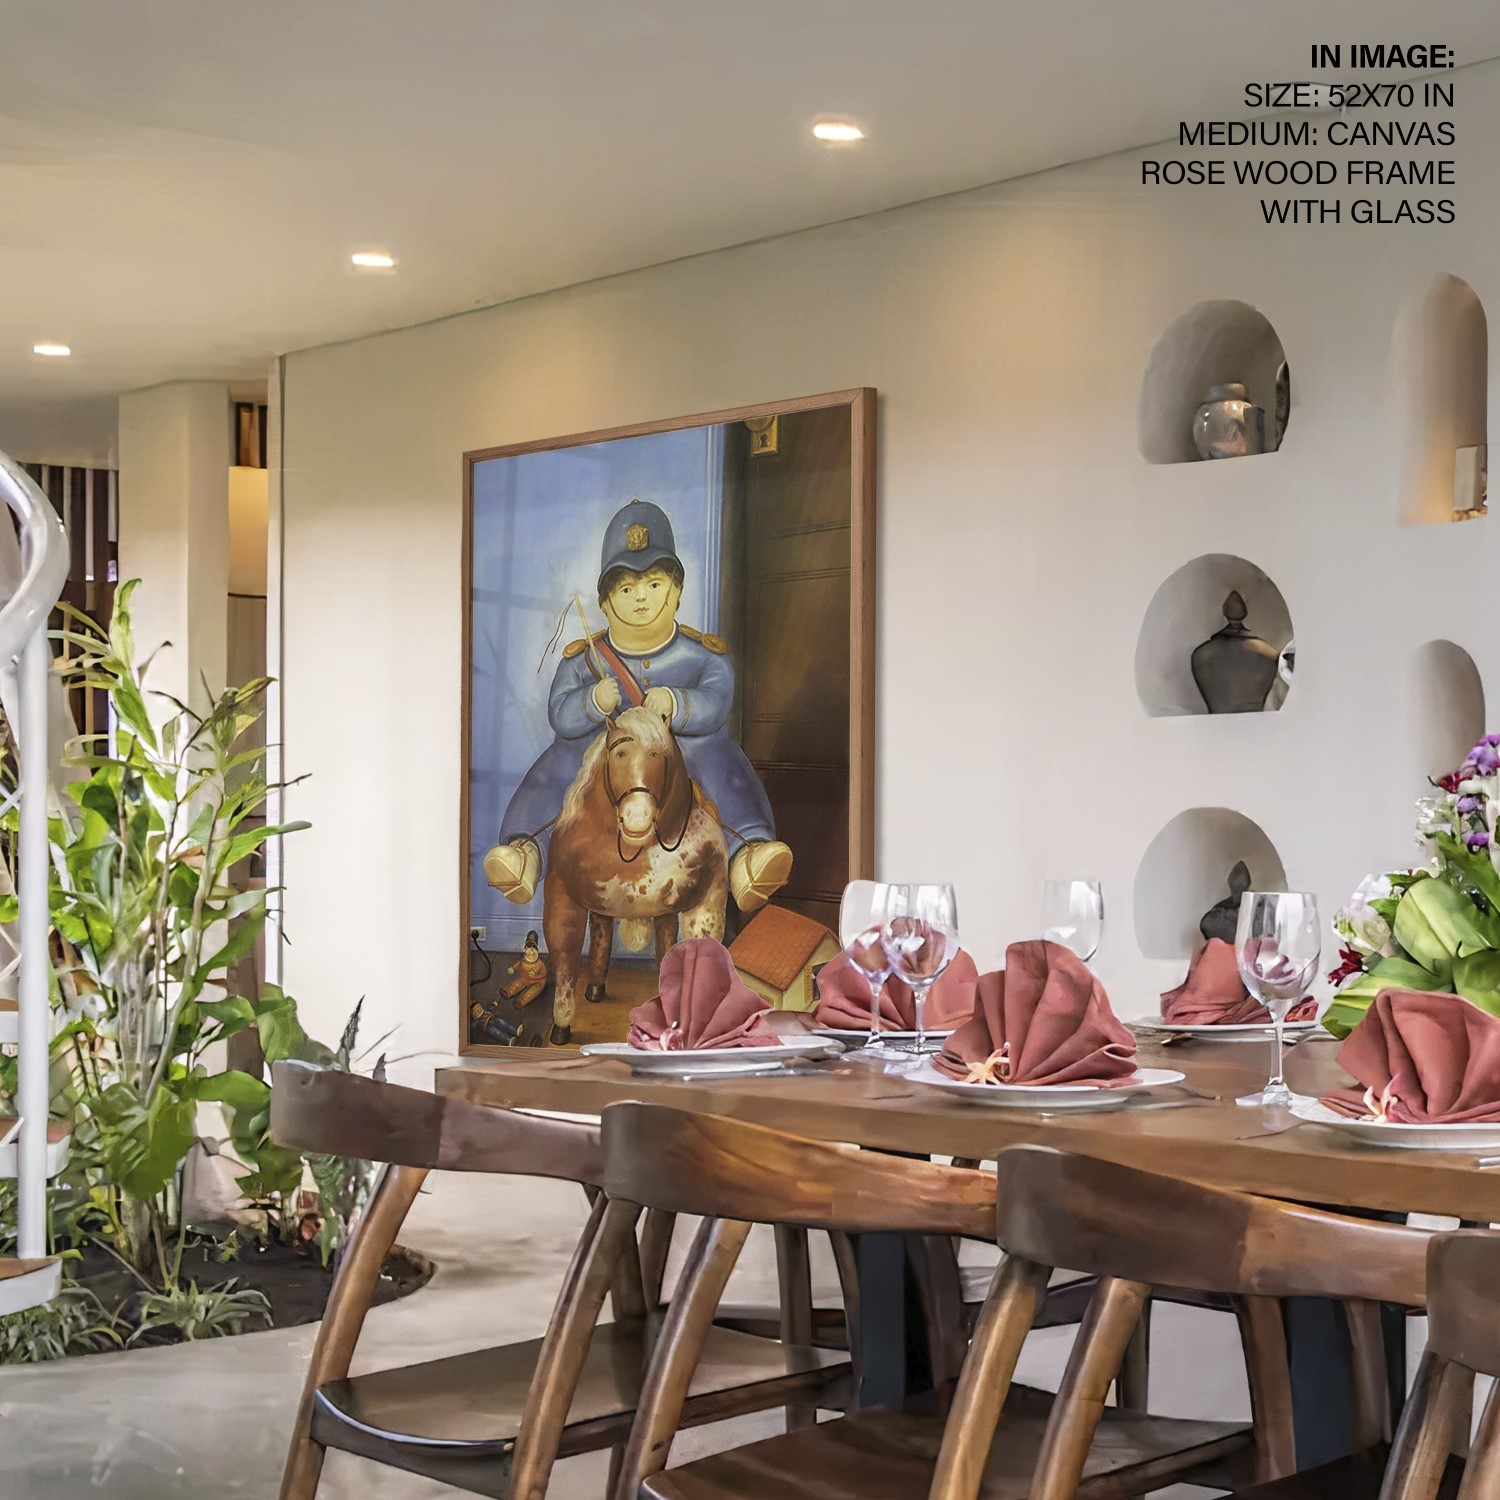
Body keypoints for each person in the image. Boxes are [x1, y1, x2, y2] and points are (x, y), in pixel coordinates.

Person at [483, 498, 792, 915]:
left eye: (655, 584)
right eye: (626, 588)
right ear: (605, 603)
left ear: (677, 591)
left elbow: (717, 699)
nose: (641, 598)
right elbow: (560, 713)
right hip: (605, 748)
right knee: (557, 765)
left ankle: (747, 854)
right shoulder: (583, 661)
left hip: (681, 746)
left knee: (720, 761)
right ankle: (524, 851)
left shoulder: (701, 655)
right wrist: (592, 701)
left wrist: (678, 703)